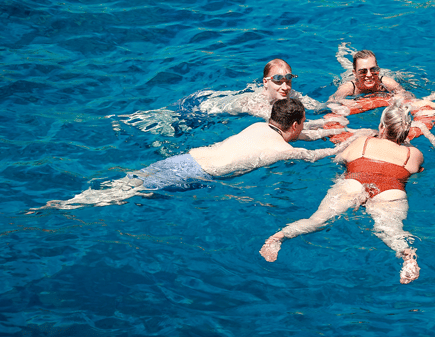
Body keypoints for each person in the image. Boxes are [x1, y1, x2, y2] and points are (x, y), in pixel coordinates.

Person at [33, 99, 356, 211]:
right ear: (296, 124)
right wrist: (349, 141)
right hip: (195, 176)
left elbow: (305, 130)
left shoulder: (261, 128)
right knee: (128, 196)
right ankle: (68, 207)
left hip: (184, 159)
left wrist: (325, 126)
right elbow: (317, 155)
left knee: (127, 183)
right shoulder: (284, 149)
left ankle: (71, 199)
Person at [259, 100, 425, 284]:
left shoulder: (363, 141)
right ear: (406, 130)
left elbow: (340, 159)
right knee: (391, 232)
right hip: (390, 191)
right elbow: (416, 170)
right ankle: (408, 258)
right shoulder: (414, 154)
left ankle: (277, 238)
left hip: (354, 183)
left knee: (317, 220)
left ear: (381, 126)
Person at [118, 59, 337, 139]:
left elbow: (321, 107)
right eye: (278, 80)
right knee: (174, 126)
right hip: (201, 108)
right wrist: (328, 130)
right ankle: (136, 120)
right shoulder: (257, 103)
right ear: (265, 83)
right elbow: (286, 126)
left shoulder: (293, 95)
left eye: (289, 79)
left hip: (214, 105)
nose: (285, 85)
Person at [329, 50, 407, 101]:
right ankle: (341, 53)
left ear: (378, 70)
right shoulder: (349, 88)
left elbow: (407, 95)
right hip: (349, 76)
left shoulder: (387, 83)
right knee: (346, 64)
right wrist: (344, 103)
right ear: (355, 73)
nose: (369, 75)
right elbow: (331, 102)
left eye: (373, 69)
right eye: (363, 71)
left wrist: (399, 97)